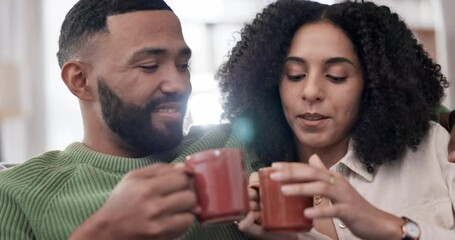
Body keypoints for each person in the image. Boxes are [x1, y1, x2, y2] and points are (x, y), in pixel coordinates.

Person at [0, 0, 255, 239]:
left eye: (182, 65)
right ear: (80, 80)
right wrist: (106, 231)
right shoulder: (17, 192)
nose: (179, 85)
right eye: (149, 66)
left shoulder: (237, 143)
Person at [217, 0, 455, 239]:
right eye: (295, 75)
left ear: (373, 82)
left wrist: (387, 226)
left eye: (336, 77)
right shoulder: (256, 187)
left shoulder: (436, 149)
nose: (311, 92)